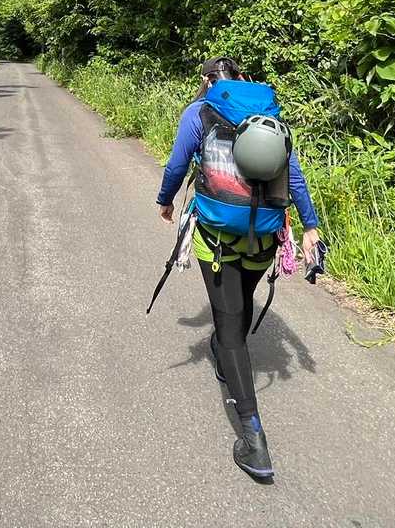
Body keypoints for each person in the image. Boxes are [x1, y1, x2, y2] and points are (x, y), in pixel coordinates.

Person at [155, 56, 322, 482]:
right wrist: (310, 226)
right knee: (242, 298)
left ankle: (253, 440)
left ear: (207, 80)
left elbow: (177, 164)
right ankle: (226, 359)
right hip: (265, 235)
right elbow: (293, 175)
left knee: (228, 328)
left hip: (217, 234)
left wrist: (165, 199)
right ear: (243, 78)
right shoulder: (268, 114)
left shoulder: (199, 111)